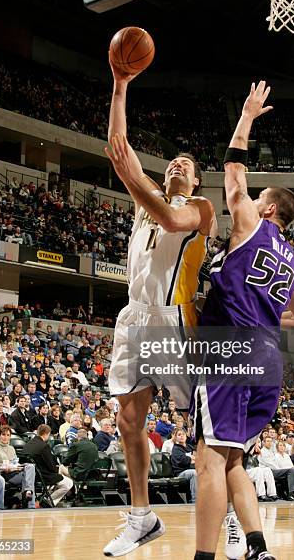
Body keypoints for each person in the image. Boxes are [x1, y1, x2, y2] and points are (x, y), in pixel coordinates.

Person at [191, 82, 294, 560]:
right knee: (234, 457)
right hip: (268, 359)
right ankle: (258, 549)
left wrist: (245, 115)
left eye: (257, 197)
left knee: (209, 460)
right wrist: (263, 315)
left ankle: (203, 557)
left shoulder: (250, 222)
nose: (247, 198)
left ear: (268, 209)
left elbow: (233, 170)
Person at [102, 58, 215, 557]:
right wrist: (120, 85)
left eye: (186, 166)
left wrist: (136, 181)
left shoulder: (201, 210)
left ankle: (231, 511)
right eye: (172, 161)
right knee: (129, 421)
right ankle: (142, 517)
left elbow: (170, 219)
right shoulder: (144, 202)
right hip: (133, 317)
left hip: (175, 322)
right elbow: (119, 149)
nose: (176, 165)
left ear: (196, 181)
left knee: (207, 428)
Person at [22, 424, 73, 506]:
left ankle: (46, 499)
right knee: (69, 483)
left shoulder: (27, 445)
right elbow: (51, 466)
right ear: (47, 433)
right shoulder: (44, 446)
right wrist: (56, 470)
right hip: (43, 476)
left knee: (58, 481)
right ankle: (49, 501)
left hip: (29, 476)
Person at [0, 426, 36, 509]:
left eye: (8, 435)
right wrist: (4, 468)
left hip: (15, 472)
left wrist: (18, 466)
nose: (6, 437)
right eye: (3, 435)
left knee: (30, 466)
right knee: (29, 478)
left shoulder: (12, 448)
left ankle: (28, 493)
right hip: (5, 474)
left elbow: (15, 462)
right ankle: (30, 504)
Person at [170, 429, 197, 503]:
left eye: (183, 434)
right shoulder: (176, 449)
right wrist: (192, 458)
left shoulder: (190, 447)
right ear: (175, 437)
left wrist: (193, 459)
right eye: (179, 435)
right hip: (181, 473)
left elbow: (199, 458)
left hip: (192, 468)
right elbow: (184, 461)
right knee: (194, 473)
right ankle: (195, 500)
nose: (181, 436)